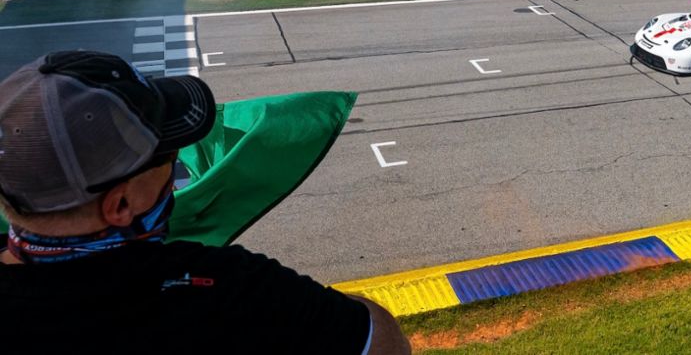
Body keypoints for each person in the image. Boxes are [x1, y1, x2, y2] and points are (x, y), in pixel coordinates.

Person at [0, 51, 410, 355]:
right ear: (120, 206)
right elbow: (383, 343)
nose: (177, 163)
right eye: (165, 155)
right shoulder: (228, 290)